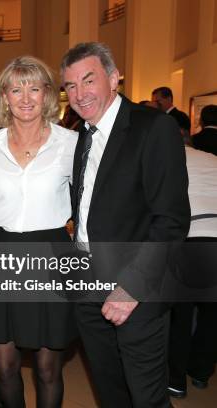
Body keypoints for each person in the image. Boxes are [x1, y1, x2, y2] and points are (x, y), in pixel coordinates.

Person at [61, 42, 190, 408]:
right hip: (87, 283)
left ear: (114, 78)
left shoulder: (154, 128)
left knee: (146, 396)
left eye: (89, 80)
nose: (79, 93)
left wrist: (130, 289)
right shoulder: (83, 136)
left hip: (136, 288)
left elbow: (171, 221)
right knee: (110, 390)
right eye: (70, 86)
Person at [0, 56, 77, 408]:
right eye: (16, 88)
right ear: (3, 96)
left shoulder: (72, 144)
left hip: (52, 256)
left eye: (34, 88)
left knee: (49, 368)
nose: (25, 97)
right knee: (4, 366)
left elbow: (87, 208)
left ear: (48, 94)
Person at [167, 144, 217, 398]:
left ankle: (175, 380)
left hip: (190, 237)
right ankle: (201, 372)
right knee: (212, 316)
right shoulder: (211, 157)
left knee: (180, 315)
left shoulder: (165, 155)